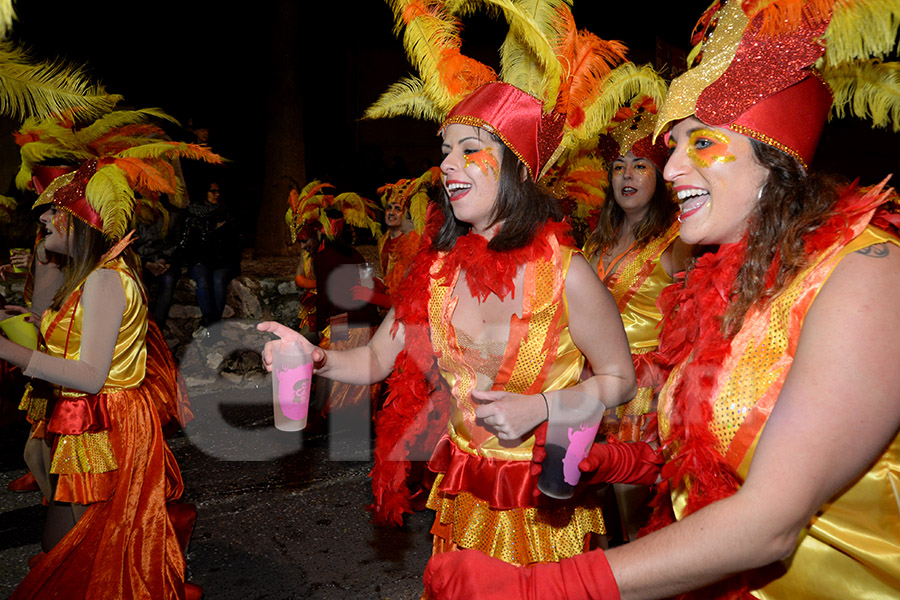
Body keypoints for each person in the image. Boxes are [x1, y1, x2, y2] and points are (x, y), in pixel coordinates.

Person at [423, 1, 900, 598]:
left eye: (700, 142)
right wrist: (623, 462)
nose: (671, 166)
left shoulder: (869, 273)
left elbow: (771, 523)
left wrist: (548, 588)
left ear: (774, 161)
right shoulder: (728, 285)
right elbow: (707, 454)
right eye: (672, 146)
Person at [261, 2, 637, 588]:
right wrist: (314, 357)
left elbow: (619, 380)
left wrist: (539, 409)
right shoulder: (433, 272)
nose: (448, 168)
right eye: (444, 153)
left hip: (544, 503)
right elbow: (376, 361)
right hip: (463, 494)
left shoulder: (570, 275)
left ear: (516, 168)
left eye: (468, 152)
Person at [1, 114, 221, 599]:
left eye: (52, 210)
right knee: (68, 548)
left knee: (103, 551)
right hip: (88, 422)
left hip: (108, 423)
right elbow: (74, 336)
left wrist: (10, 351)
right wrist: (38, 322)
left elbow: (91, 375)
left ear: (80, 220)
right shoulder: (91, 272)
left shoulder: (104, 279)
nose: (41, 218)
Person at [583, 95, 695, 543]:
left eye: (640, 165)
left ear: (661, 176)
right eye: (618, 166)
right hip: (592, 391)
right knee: (591, 512)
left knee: (639, 523)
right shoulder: (594, 242)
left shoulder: (680, 241)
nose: (626, 174)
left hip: (644, 402)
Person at [177, 178, 242, 327]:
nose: (216, 195)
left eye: (218, 191)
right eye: (212, 191)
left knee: (218, 279)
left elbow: (235, 241)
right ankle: (210, 320)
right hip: (200, 259)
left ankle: (213, 325)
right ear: (204, 193)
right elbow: (187, 242)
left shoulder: (225, 212)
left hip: (223, 260)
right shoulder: (193, 213)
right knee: (203, 280)